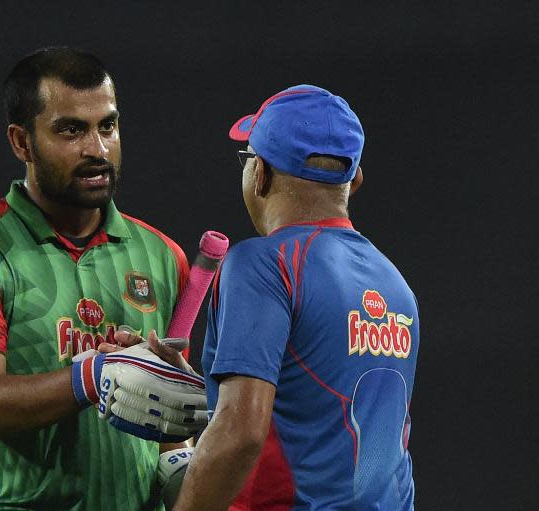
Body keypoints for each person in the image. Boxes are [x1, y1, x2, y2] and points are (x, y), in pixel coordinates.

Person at [0, 46, 203, 510]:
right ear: (21, 142)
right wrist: (91, 376)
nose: (96, 148)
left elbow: (164, 426)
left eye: (107, 126)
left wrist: (182, 460)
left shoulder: (163, 256)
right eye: (70, 130)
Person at [157, 85, 420, 510]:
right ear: (354, 179)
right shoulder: (397, 287)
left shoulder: (262, 264)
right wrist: (207, 390)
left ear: (259, 172)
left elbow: (240, 434)